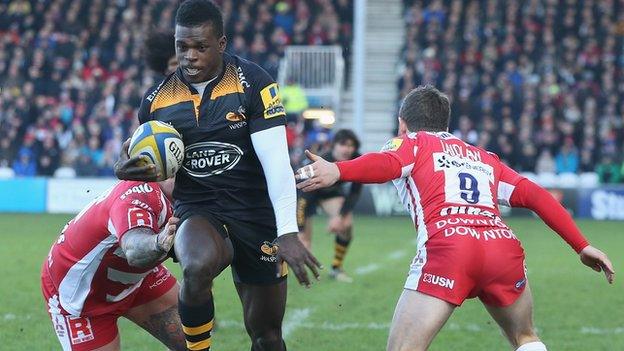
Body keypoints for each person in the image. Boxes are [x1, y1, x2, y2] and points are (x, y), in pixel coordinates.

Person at [296, 85, 615, 351]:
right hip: (500, 247)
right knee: (525, 338)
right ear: (445, 124)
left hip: (451, 246)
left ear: (402, 123)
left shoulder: (412, 143)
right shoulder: (484, 157)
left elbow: (387, 164)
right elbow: (536, 196)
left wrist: (338, 169)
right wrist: (581, 245)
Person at [114, 1, 321, 350]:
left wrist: (287, 232)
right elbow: (141, 162)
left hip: (255, 214)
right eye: (182, 47)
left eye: (200, 47)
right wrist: (126, 170)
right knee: (194, 267)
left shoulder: (254, 83)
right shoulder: (155, 102)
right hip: (200, 207)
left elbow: (275, 163)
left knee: (267, 336)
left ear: (221, 44)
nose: (189, 56)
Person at [40, 179, 186, 351]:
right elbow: (136, 251)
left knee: (194, 341)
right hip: (80, 296)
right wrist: (159, 242)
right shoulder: (139, 194)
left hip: (138, 278)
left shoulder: (198, 195)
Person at [297, 129, 362, 282]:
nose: (347, 149)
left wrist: (339, 217)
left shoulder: (356, 159)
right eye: (343, 144)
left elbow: (354, 193)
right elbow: (303, 199)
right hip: (305, 194)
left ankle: (336, 268)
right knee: (303, 240)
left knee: (346, 224)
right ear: (334, 146)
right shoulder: (319, 163)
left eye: (351, 146)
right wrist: (300, 228)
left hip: (328, 194)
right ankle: (291, 271)